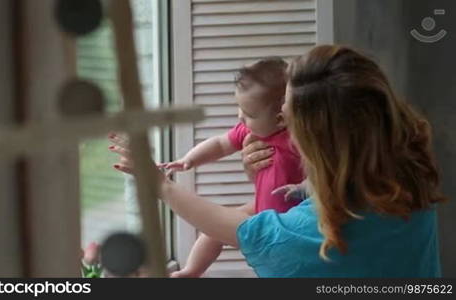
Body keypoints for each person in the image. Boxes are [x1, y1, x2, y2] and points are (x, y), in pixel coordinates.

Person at [109, 45, 446, 277]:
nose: (282, 117)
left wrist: (158, 185)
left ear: (321, 143)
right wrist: (261, 183)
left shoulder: (316, 234)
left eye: (290, 117)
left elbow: (250, 232)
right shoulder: (401, 176)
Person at [155, 57, 305, 277]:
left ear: (281, 118)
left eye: (249, 114)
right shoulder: (251, 131)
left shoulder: (296, 140)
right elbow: (220, 144)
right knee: (213, 229)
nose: (240, 117)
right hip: (261, 204)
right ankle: (191, 271)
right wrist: (189, 160)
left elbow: (321, 168)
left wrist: (304, 186)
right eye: (239, 109)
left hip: (290, 214)